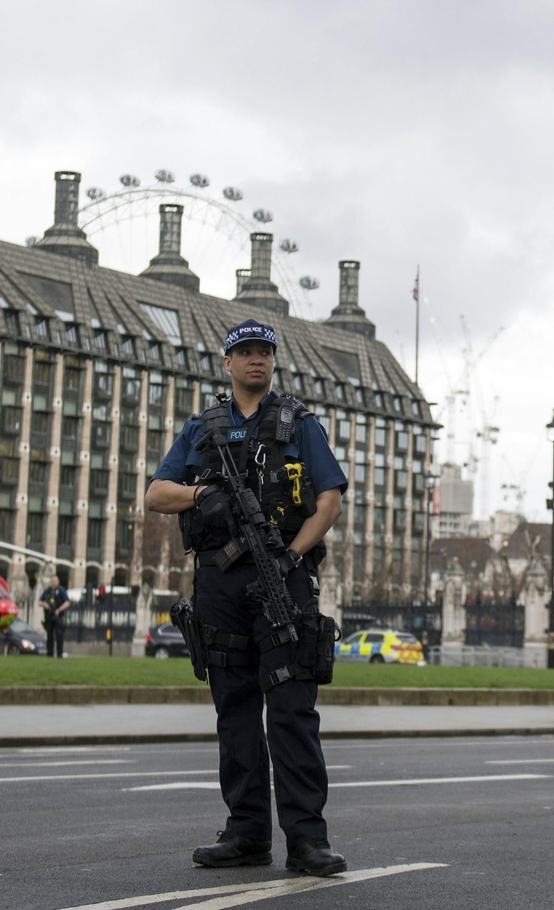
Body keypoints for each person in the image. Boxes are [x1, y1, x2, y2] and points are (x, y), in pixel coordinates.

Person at [146, 319, 348, 877]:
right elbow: (156, 494)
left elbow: (328, 501)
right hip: (219, 585)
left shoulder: (299, 424)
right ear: (228, 363)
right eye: (246, 352)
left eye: (265, 352)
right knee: (234, 710)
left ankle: (307, 840)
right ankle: (247, 832)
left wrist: (289, 559)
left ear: (273, 362)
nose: (257, 360)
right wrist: (200, 493)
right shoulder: (202, 428)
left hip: (281, 576)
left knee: (290, 712)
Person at [38, 577, 71, 658]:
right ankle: (50, 654)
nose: (53, 583)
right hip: (49, 616)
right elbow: (39, 601)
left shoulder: (61, 591)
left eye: (55, 581)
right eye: (52, 581)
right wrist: (44, 605)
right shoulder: (47, 591)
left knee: (59, 635)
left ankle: (59, 654)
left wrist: (59, 610)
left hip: (59, 616)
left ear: (58, 582)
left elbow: (67, 602)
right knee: (49, 635)